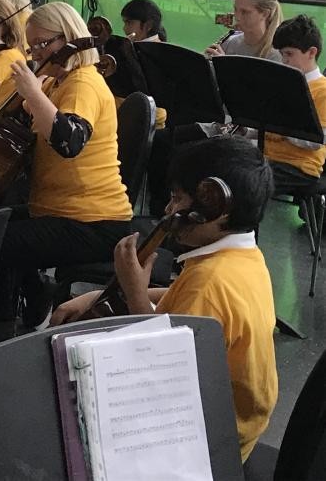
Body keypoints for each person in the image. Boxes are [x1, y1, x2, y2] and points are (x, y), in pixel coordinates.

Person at [0, 2, 132, 407]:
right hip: (53, 210)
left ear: (67, 40)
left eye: (41, 46)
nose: (35, 55)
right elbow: (4, 123)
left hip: (94, 220)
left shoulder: (83, 83)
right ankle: (28, 299)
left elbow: (69, 140)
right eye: (32, 46)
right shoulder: (54, 82)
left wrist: (33, 91)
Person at [51, 137, 277, 464]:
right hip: (241, 420)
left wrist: (133, 293)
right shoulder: (241, 257)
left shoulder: (209, 284)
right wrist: (95, 295)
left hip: (208, 440)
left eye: (177, 198)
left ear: (213, 205)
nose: (169, 210)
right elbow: (179, 294)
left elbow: (162, 372)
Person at [264, 15, 326, 186]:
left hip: (300, 167)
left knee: (246, 179)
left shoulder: (323, 91)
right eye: (282, 54)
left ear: (312, 52)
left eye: (289, 54)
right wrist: (246, 129)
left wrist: (281, 124)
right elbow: (266, 127)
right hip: (267, 158)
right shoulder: (282, 85)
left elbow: (316, 141)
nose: (284, 60)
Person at [205, 0, 282, 62]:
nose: (237, 17)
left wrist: (224, 65)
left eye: (245, 12)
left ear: (265, 14)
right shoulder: (229, 43)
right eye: (235, 9)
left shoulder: (277, 54)